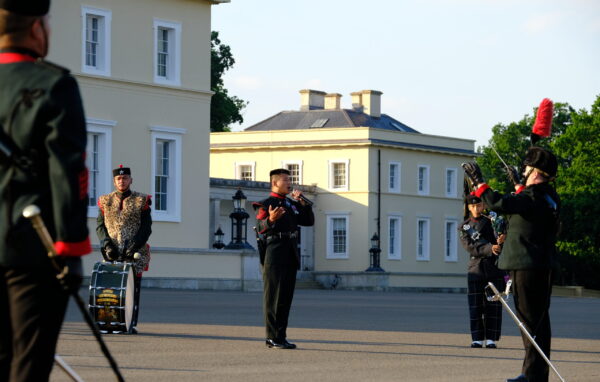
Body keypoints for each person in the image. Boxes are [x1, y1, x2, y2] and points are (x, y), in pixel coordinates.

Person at [0, 0, 92, 380]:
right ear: (37, 28)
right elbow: (68, 173)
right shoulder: (54, 85)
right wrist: (70, 248)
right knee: (29, 363)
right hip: (31, 250)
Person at [463, 146, 560, 382]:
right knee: (538, 321)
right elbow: (524, 206)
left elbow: (501, 204)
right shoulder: (548, 197)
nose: (524, 171)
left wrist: (479, 183)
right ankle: (536, 374)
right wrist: (518, 185)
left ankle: (532, 376)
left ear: (535, 171)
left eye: (527, 169)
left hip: (526, 266)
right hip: (541, 265)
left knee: (528, 323)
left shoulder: (533, 196)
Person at [254, 168, 314, 349]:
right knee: (273, 298)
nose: (289, 183)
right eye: (286, 180)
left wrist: (303, 202)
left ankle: (281, 336)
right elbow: (260, 227)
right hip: (274, 253)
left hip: (290, 252)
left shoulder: (291, 204)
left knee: (285, 298)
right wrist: (270, 220)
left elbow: (308, 221)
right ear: (275, 183)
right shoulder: (266, 203)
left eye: (290, 180)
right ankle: (272, 337)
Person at [96, 165, 152, 334]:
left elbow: (146, 228)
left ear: (131, 180)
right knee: (110, 290)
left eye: (125, 178)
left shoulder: (141, 200)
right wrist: (106, 244)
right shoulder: (105, 200)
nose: (122, 181)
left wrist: (134, 245)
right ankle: (111, 321)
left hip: (134, 251)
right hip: (112, 251)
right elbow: (100, 226)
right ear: (114, 181)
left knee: (133, 289)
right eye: (119, 179)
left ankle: (130, 323)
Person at [459, 194, 506, 349]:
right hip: (475, 268)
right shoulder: (465, 227)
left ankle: (491, 338)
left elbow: (499, 238)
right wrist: (490, 248)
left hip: (495, 267)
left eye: (478, 205)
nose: (476, 209)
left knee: (493, 305)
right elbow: (470, 246)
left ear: (484, 206)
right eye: (472, 206)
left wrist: (501, 238)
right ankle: (477, 338)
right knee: (475, 305)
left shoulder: (493, 221)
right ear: (468, 207)